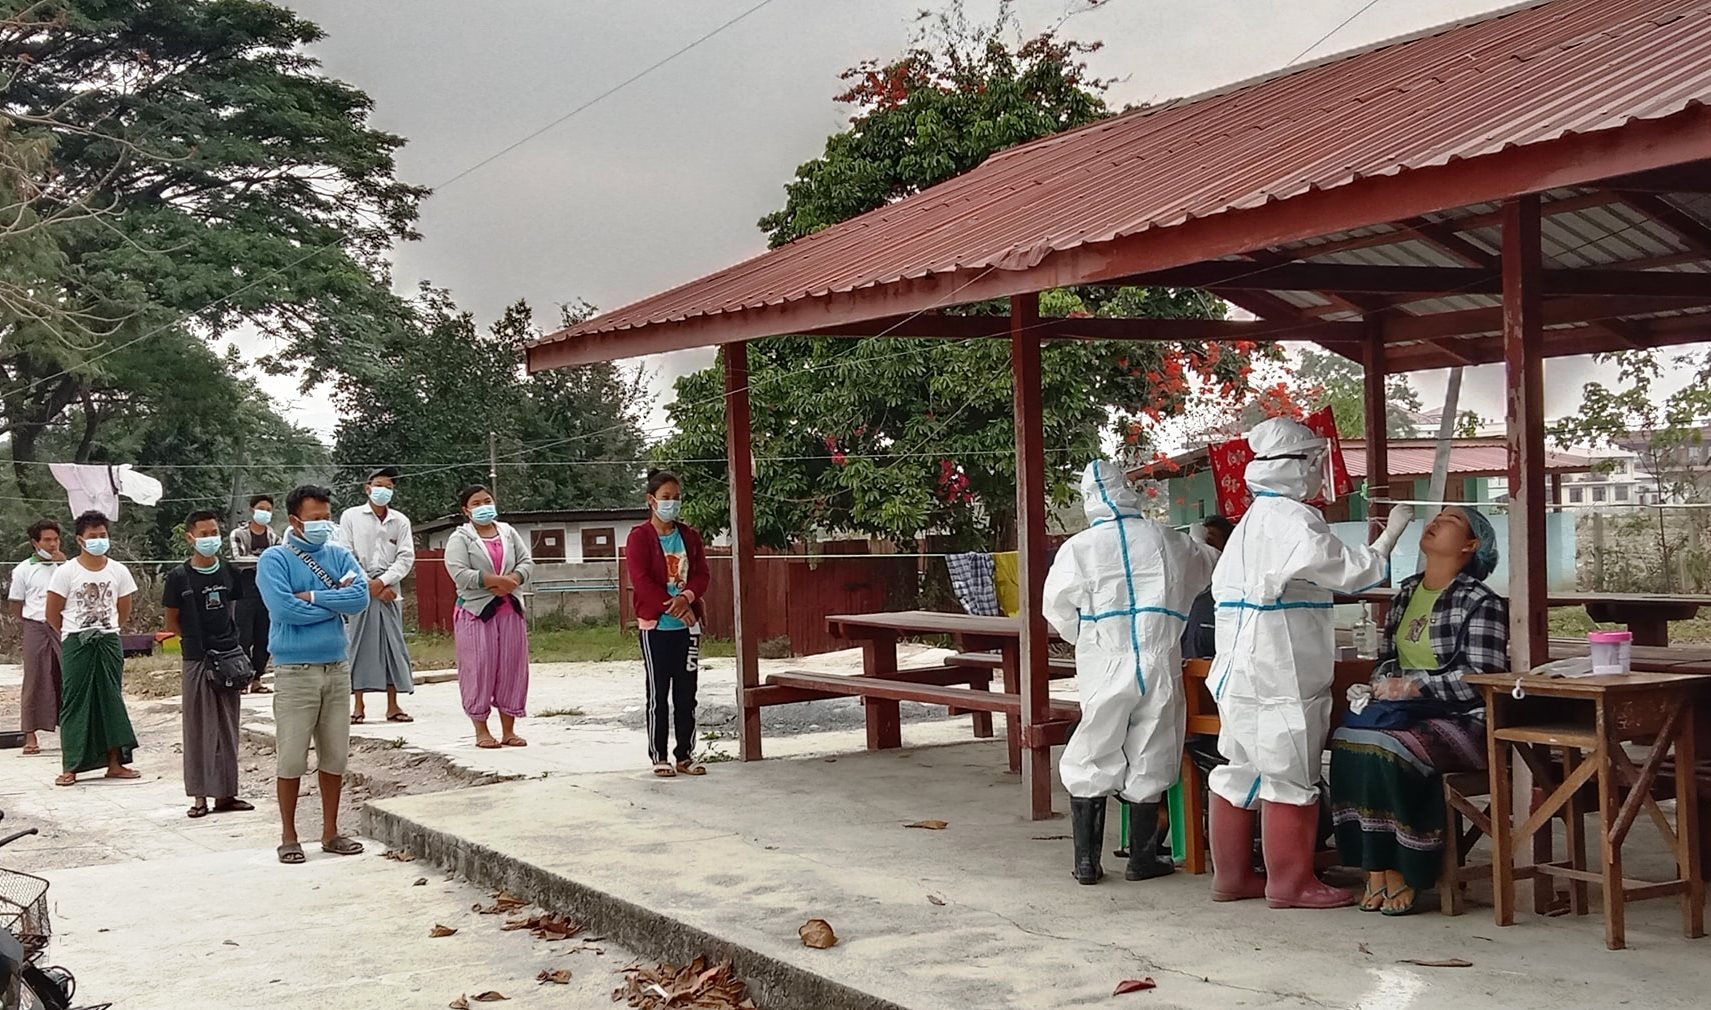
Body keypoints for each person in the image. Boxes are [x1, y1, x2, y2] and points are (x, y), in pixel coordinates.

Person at [1207, 417, 1415, 908]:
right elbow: (1354, 573)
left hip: (1238, 669)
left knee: (1239, 770)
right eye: (1316, 461)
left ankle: (1232, 878)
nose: (1321, 470)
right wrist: (1390, 536)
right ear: (1297, 464)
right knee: (1290, 773)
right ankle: (1291, 883)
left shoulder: (1251, 523)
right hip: (1280, 669)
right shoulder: (1292, 520)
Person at [1043, 461, 1222, 885]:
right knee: (1154, 746)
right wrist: (1201, 539)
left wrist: (1089, 637)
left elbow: (1057, 609)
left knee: (1094, 744)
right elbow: (1210, 566)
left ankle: (1087, 863)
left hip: (1104, 658)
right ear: (1128, 491)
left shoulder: (1078, 548)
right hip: (1159, 655)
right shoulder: (1165, 538)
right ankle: (1142, 859)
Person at [1331, 505, 1506, 916]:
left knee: (1389, 748)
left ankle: (1408, 866)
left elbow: (1483, 678)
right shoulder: (1407, 593)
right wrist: (1376, 685)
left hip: (1463, 720)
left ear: (1470, 545)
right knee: (1347, 738)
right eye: (1438, 515)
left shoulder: (1481, 602)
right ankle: (1375, 865)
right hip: (1405, 715)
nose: (1437, 521)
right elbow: (1388, 660)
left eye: (1453, 521)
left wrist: (1415, 686)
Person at [257, 484, 372, 864]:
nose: (324, 524)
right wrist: (333, 603)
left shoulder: (339, 555)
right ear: (295, 521)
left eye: (327, 517)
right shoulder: (274, 559)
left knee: (335, 755)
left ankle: (331, 831)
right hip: (295, 671)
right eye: (315, 518)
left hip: (336, 667)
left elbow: (360, 598)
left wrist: (312, 597)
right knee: (291, 757)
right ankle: (289, 836)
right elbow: (284, 610)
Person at [165, 510, 253, 819]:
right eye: (203, 534)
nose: (210, 538)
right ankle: (199, 796)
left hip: (229, 658)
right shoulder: (179, 577)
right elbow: (172, 622)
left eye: (214, 532)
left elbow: (231, 610)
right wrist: (195, 642)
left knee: (228, 726)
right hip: (197, 659)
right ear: (190, 537)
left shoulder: (230, 571)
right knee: (198, 728)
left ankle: (227, 794)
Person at [44, 511, 140, 786]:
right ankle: (71, 765)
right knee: (75, 701)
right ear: (80, 540)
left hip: (108, 640)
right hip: (77, 641)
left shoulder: (118, 571)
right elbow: (52, 613)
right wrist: (74, 632)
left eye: (103, 535)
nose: (99, 540)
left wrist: (107, 630)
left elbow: (123, 609)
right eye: (92, 536)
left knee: (111, 699)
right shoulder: (66, 572)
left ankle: (115, 762)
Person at [626, 470, 710, 779]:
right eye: (665, 498)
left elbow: (701, 574)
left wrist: (687, 598)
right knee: (658, 694)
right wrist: (672, 606)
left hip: (688, 628)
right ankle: (659, 755)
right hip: (656, 627)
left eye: (676, 498)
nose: (671, 503)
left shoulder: (690, 536)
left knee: (686, 694)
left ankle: (685, 755)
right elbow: (641, 581)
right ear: (651, 500)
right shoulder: (639, 538)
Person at [444, 485, 535, 750]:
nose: (483, 506)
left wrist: (513, 580)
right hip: (476, 612)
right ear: (466, 510)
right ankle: (481, 730)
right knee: (479, 669)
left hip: (510, 611)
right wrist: (491, 581)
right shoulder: (460, 538)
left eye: (487, 501)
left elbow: (526, 561)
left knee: (512, 669)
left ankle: (509, 730)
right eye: (476, 503)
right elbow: (459, 572)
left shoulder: (508, 532)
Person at [340, 467, 416, 724]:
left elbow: (405, 557)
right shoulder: (351, 516)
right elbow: (345, 553)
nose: (384, 490)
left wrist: (383, 582)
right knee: (358, 643)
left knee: (392, 644)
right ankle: (358, 705)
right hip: (358, 586)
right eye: (379, 485)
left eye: (389, 487)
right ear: (368, 488)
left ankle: (393, 705)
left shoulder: (400, 521)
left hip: (390, 589)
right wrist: (368, 584)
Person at [9, 520, 65, 756]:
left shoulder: (66, 567)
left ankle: (72, 731)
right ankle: (30, 735)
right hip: (36, 625)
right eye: (47, 540)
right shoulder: (24, 569)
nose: (52, 545)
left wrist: (62, 563)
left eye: (56, 539)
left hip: (63, 625)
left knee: (68, 675)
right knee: (35, 678)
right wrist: (30, 621)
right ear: (35, 543)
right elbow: (16, 603)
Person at [229, 493, 282, 695]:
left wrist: (260, 561)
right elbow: (239, 559)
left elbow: (279, 561)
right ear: (252, 509)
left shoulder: (274, 537)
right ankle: (242, 679)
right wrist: (266, 560)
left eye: (268, 510)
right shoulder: (238, 534)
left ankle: (257, 679)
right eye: (261, 509)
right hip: (245, 590)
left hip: (267, 591)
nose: (264, 513)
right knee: (243, 636)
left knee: (264, 637)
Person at [1181, 515, 1234, 660]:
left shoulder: (1227, 600)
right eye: (1197, 547)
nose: (1202, 551)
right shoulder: (1184, 598)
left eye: (1209, 543)